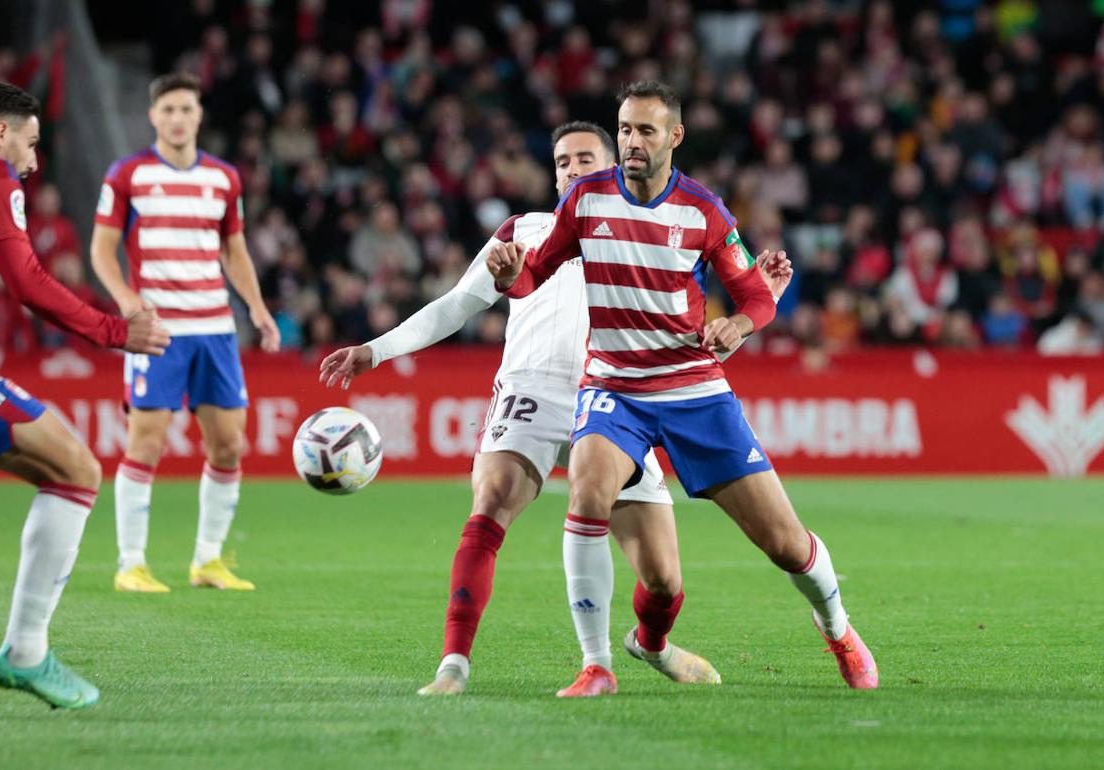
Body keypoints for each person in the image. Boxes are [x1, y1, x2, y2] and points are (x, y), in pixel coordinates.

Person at [321, 122, 791, 697]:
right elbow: (457, 305)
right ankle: (453, 666)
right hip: (532, 389)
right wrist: (376, 350)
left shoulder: (646, 231)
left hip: (620, 400)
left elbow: (690, 337)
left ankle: (652, 643)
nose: (572, 170)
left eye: (585, 160)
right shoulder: (525, 232)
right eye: (563, 162)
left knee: (664, 581)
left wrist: (755, 309)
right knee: (491, 501)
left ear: (613, 166)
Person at [487, 80, 878, 689]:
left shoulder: (703, 210)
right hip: (614, 388)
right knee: (586, 495)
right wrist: (510, 275)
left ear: (675, 136)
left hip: (693, 388)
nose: (632, 142)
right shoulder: (586, 198)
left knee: (783, 543)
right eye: (625, 130)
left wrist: (738, 324)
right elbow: (533, 274)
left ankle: (838, 629)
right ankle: (596, 665)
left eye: (645, 131)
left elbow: (755, 296)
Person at [0, 82, 170, 718]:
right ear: (0, 133)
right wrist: (114, 331)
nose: (31, 160)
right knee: (76, 470)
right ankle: (25, 651)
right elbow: (27, 280)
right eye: (29, 143)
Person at [90, 72, 280, 594]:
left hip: (215, 329)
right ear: (153, 116)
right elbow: (101, 249)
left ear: (199, 116)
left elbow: (234, 251)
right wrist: (126, 299)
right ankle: (131, 564)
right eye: (168, 109)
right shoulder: (128, 174)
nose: (177, 118)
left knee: (229, 445)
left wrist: (257, 308)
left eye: (186, 109)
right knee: (146, 443)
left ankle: (207, 561)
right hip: (158, 331)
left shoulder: (224, 178)